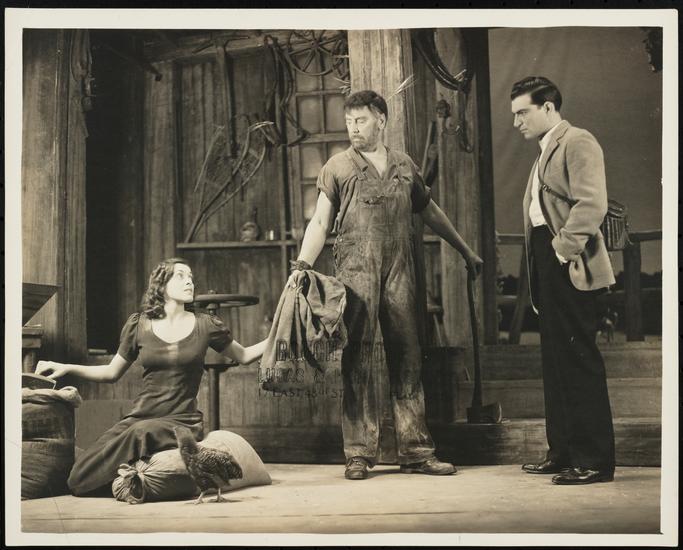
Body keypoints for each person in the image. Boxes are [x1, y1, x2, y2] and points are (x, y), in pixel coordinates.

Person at [287, 90, 484, 480]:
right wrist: (302, 265)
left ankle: (417, 451)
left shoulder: (405, 166)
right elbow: (320, 222)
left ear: (381, 119)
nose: (353, 128)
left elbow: (429, 211)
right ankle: (358, 453)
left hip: (400, 269)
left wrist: (466, 250)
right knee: (357, 358)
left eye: (360, 120)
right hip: (355, 270)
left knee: (408, 357)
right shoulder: (337, 167)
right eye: (349, 122)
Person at [36, 257, 267, 496]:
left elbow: (244, 355)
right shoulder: (139, 325)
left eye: (191, 277)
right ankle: (130, 476)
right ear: (161, 285)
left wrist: (281, 335)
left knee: (138, 433)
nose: (189, 281)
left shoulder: (206, 324)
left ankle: (136, 480)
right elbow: (111, 372)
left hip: (182, 422)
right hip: (141, 415)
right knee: (79, 474)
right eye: (180, 276)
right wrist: (66, 367)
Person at [511, 76, 616, 485]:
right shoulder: (544, 150)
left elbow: (592, 203)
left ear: (548, 107)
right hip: (546, 257)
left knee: (577, 360)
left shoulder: (578, 141)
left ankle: (594, 461)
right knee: (555, 361)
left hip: (569, 260)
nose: (517, 122)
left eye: (523, 112)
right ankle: (564, 453)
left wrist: (561, 251)